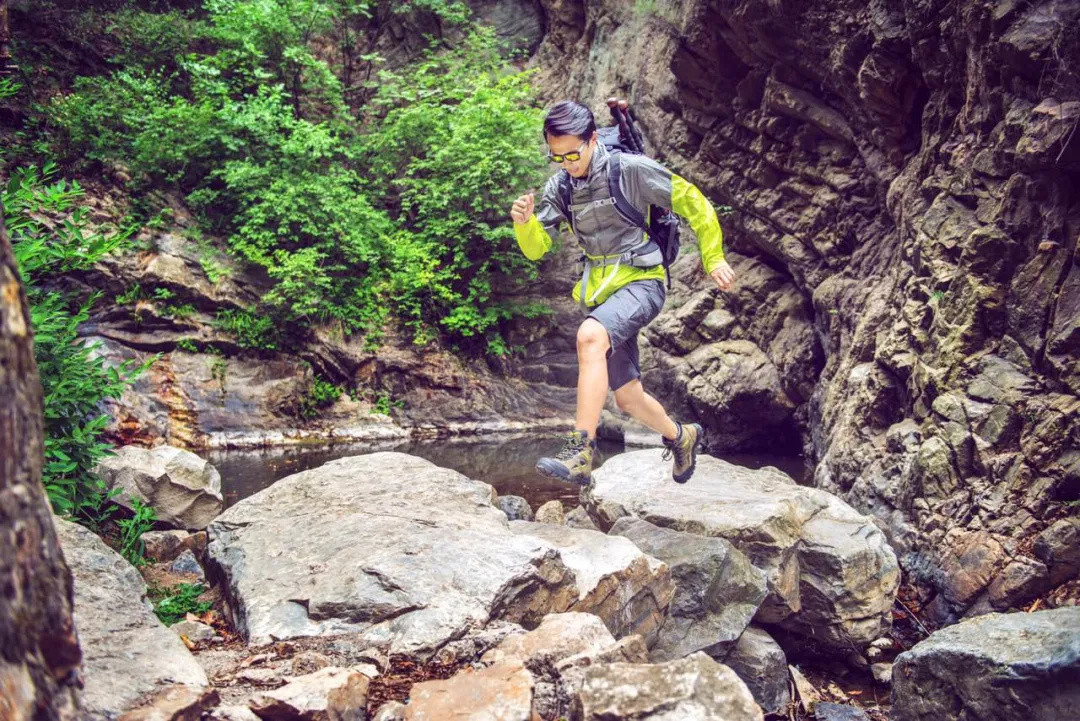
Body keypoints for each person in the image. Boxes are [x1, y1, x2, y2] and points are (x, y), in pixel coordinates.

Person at [510, 100, 736, 485]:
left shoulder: (629, 171)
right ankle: (682, 437)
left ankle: (579, 449)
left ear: (593, 139)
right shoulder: (560, 187)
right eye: (557, 156)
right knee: (628, 398)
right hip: (604, 295)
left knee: (590, 336)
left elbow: (694, 202)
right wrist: (525, 224)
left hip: (644, 283)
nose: (567, 163)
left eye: (573, 154)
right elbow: (537, 248)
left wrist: (713, 257)